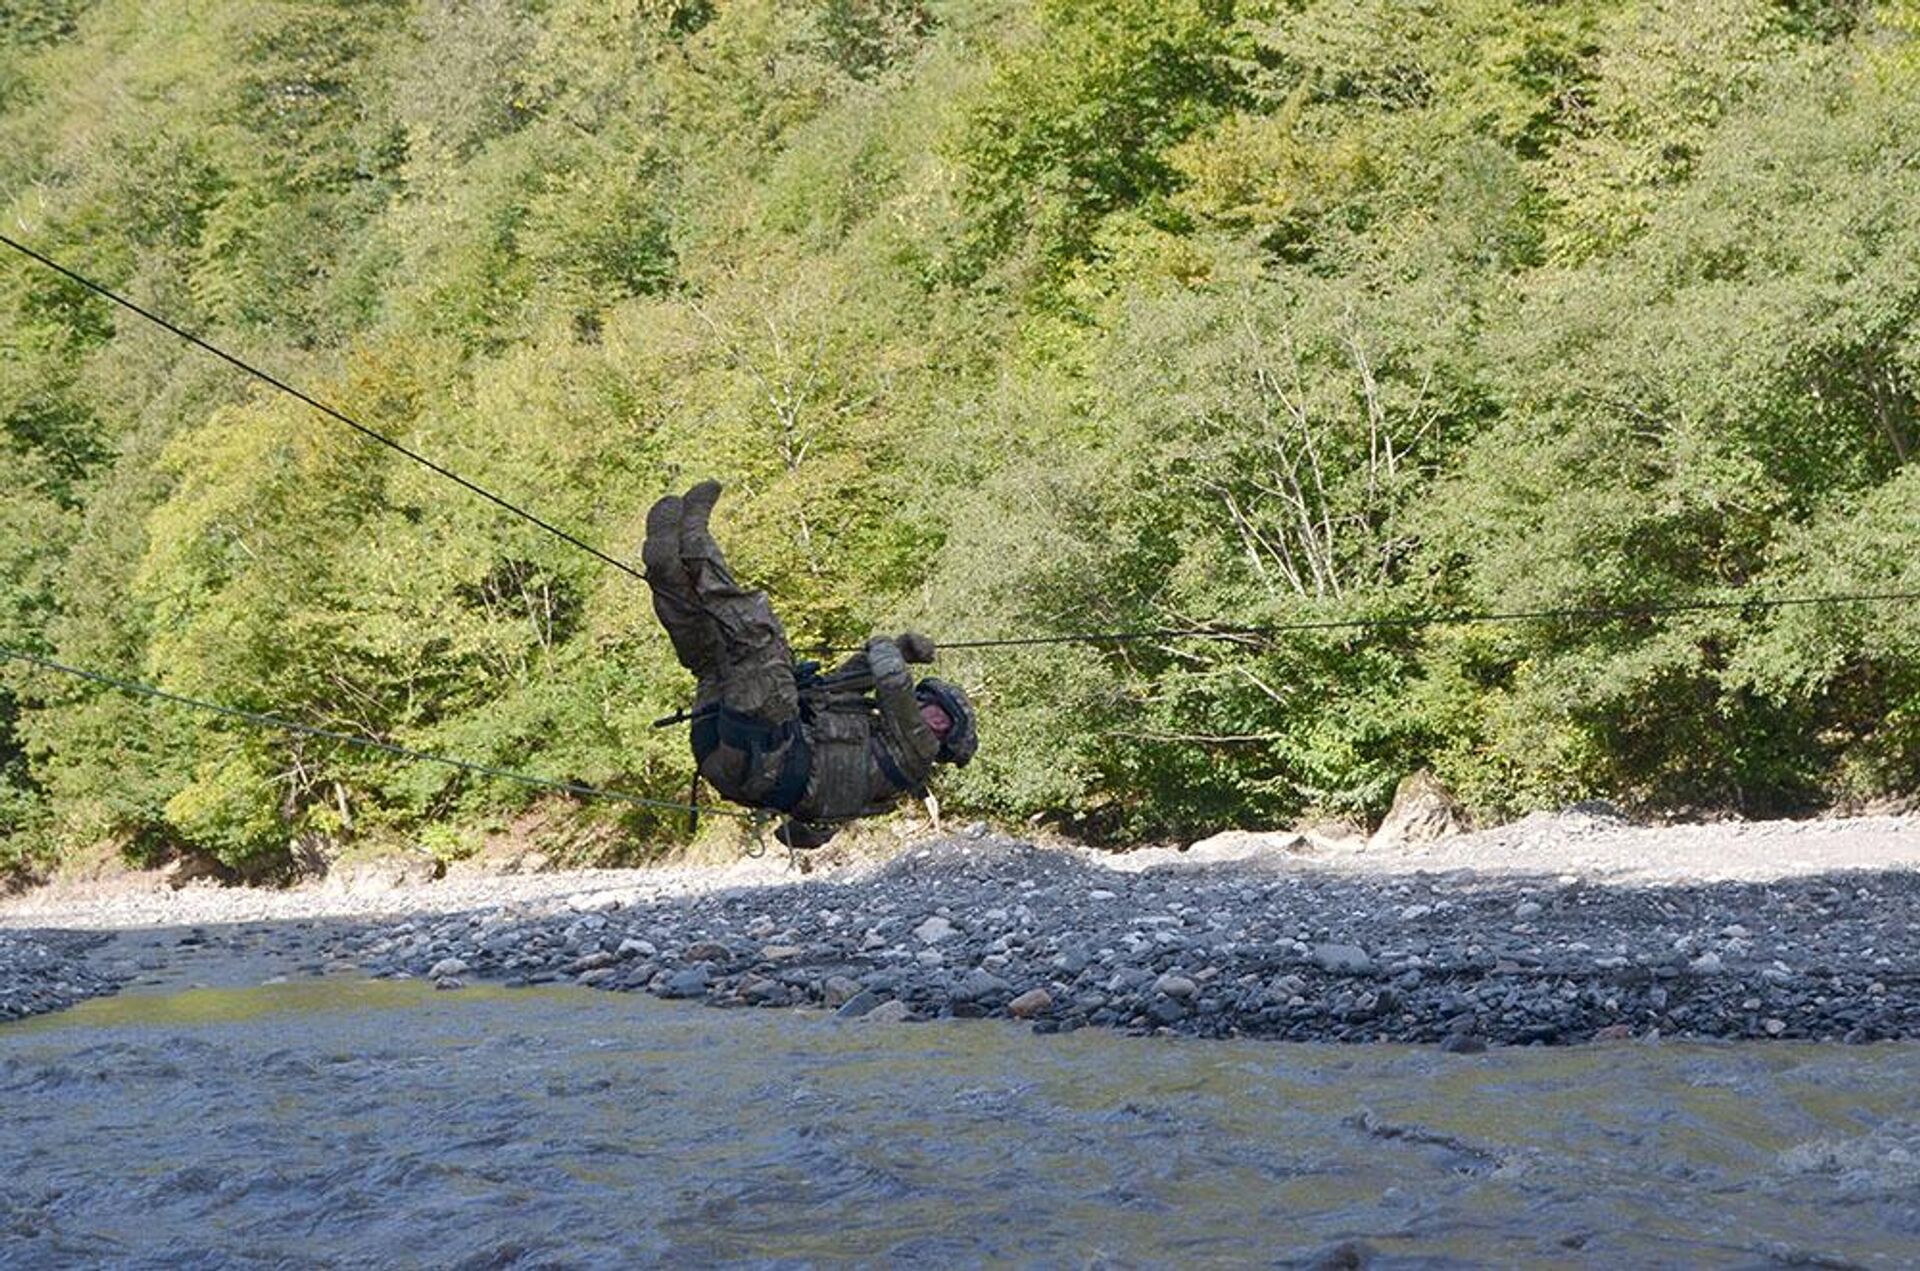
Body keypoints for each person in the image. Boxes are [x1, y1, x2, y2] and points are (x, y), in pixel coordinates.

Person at [642, 479, 977, 848]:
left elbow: (893, 680)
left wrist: (889, 647)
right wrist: (905, 648)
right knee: (714, 655)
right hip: (727, 749)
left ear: (944, 743)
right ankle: (665, 569)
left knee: (760, 641)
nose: (933, 719)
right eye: (934, 708)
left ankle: (695, 542)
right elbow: (844, 681)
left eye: (944, 724)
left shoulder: (919, 752)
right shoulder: (878, 744)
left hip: (761, 752)